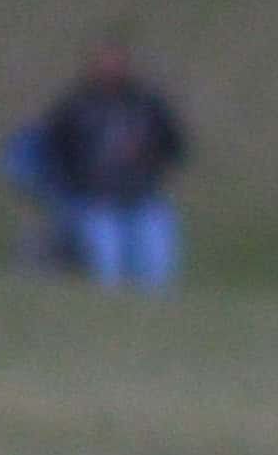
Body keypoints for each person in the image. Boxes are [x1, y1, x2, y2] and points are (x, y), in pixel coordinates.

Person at [31, 38, 189, 293]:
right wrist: (71, 184)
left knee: (158, 257)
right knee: (108, 261)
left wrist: (148, 156)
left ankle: (156, 305)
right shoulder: (76, 107)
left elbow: (174, 145)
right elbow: (51, 150)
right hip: (95, 200)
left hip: (142, 197)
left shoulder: (146, 105)